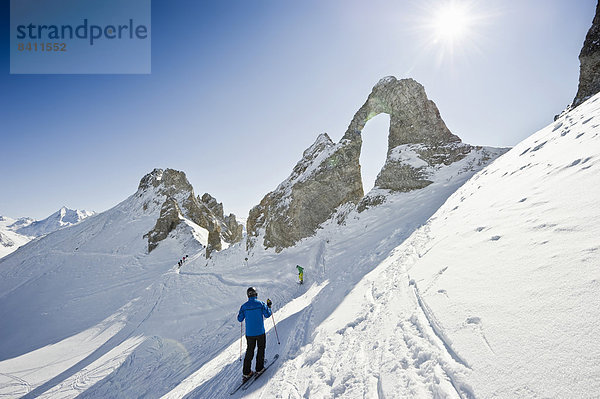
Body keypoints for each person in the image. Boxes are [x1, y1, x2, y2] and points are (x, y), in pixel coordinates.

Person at [237, 287, 272, 381]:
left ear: (248, 295)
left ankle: (246, 372)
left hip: (249, 333)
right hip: (260, 332)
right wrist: (269, 306)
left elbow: (240, 319)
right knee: (261, 349)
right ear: (255, 294)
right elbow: (268, 315)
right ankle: (259, 368)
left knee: (249, 351)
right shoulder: (261, 304)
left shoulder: (244, 306)